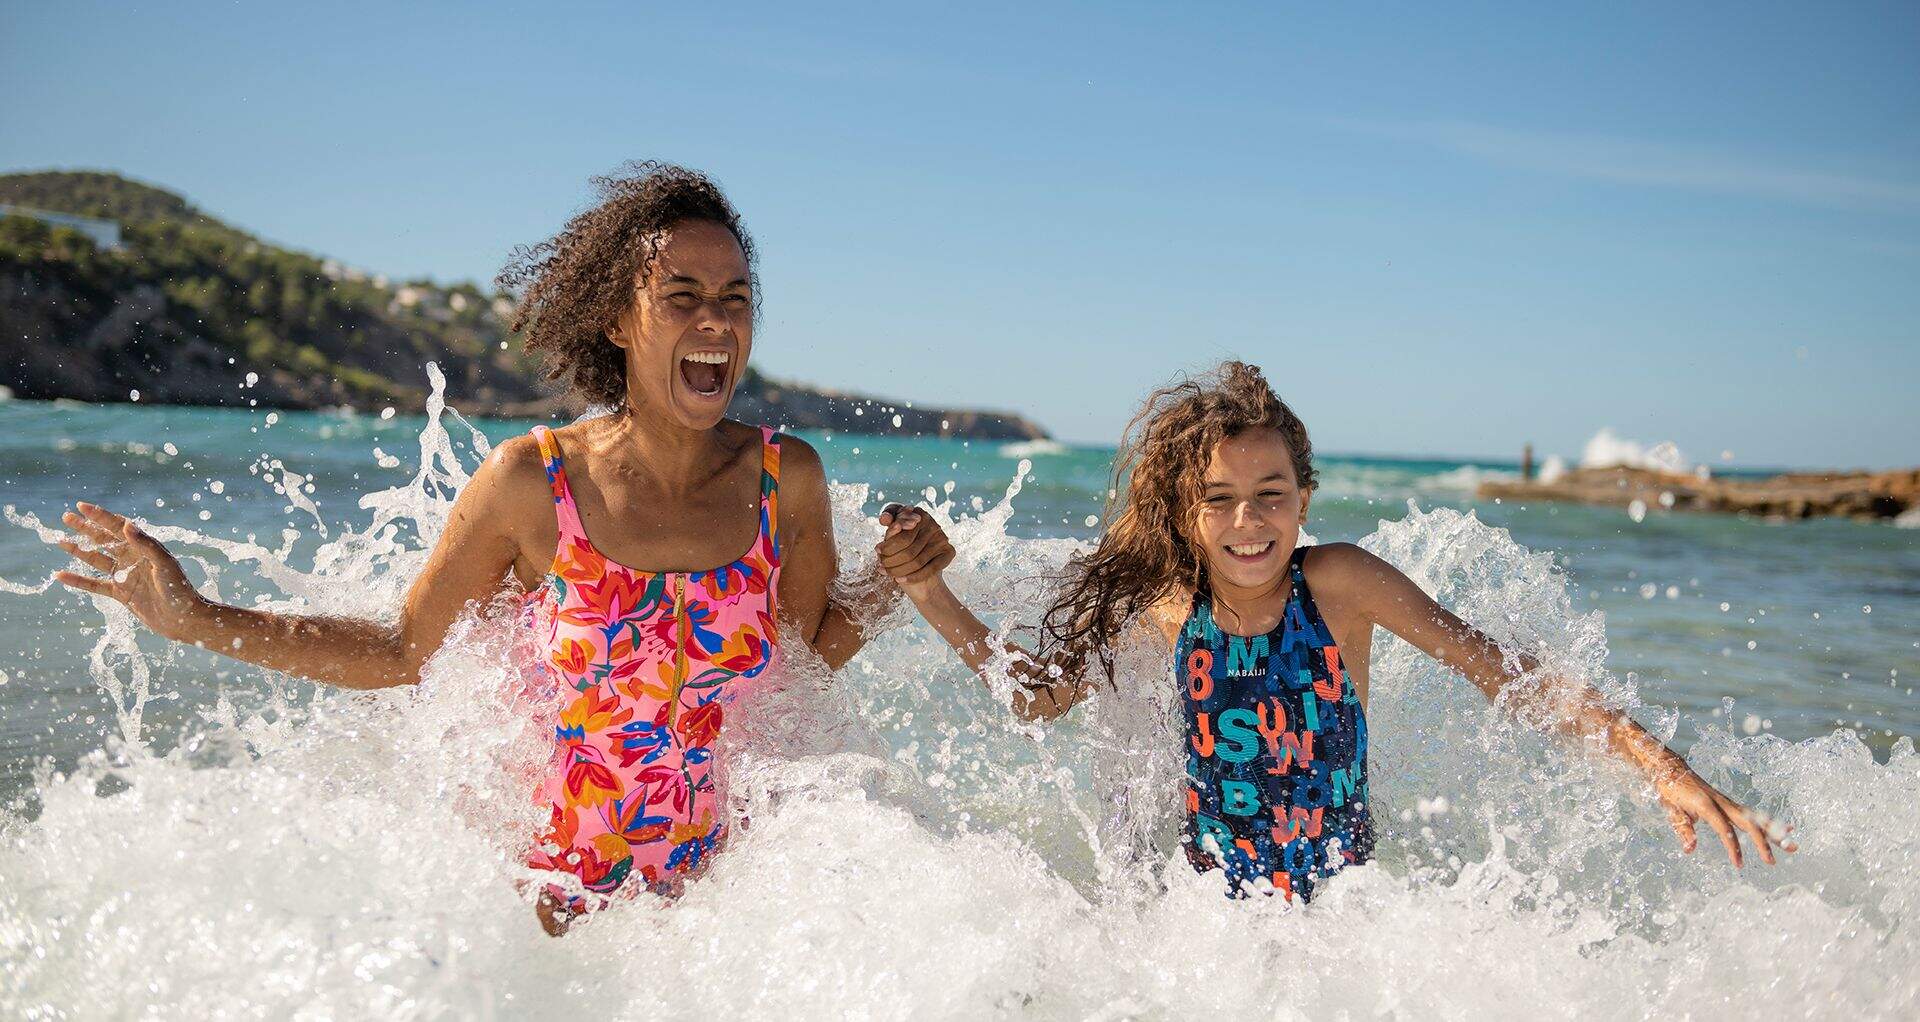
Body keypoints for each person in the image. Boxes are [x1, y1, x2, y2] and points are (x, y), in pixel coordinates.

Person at [50, 162, 901, 933]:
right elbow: (404, 651)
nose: (715, 320)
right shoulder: (535, 483)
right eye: (682, 296)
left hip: (730, 916)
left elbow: (802, 664)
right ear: (617, 320)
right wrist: (198, 617)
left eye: (736, 296)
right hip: (555, 921)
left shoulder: (785, 480)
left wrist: (894, 584)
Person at [872, 361, 1794, 901]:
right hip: (1205, 932)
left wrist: (1661, 767)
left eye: (1270, 496)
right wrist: (931, 593)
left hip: (1346, 924)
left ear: (1304, 498)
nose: (1249, 522)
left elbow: (1503, 672)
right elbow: (1038, 700)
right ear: (1186, 515)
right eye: (1220, 501)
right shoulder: (1163, 608)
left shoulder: (1341, 586)